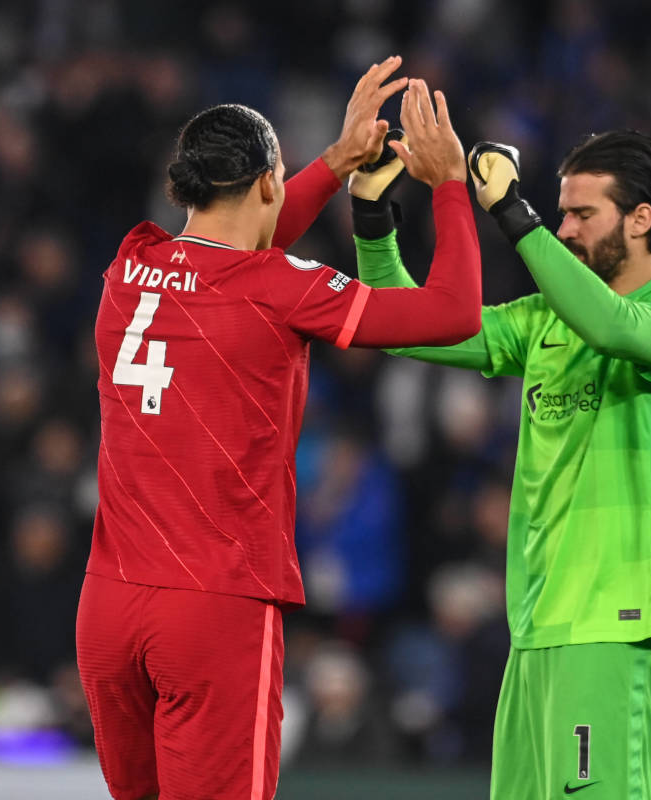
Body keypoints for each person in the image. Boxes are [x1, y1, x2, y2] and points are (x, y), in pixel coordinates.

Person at [76, 60, 480, 800]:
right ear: (266, 182)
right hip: (212, 608)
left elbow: (231, 256)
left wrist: (333, 161)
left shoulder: (129, 266)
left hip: (107, 610)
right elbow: (452, 313)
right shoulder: (280, 289)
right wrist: (450, 184)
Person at [352, 129, 651, 798]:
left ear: (642, 220)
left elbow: (613, 327)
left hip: (622, 624)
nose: (566, 228)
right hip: (537, 627)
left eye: (584, 214)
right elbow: (406, 329)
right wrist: (374, 215)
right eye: (561, 213)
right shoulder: (544, 322)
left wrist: (511, 215)